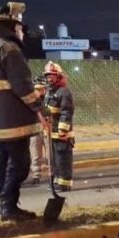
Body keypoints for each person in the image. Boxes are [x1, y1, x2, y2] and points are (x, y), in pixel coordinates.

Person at [0, 1, 45, 221]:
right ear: (11, 26)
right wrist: (39, 107)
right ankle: (9, 207)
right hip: (15, 119)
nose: (21, 31)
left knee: (3, 163)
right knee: (20, 165)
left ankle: (3, 206)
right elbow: (23, 86)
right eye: (19, 27)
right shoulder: (10, 49)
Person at [43, 61, 75, 191]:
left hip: (62, 133)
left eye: (52, 75)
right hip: (52, 132)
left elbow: (66, 112)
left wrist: (62, 129)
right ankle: (57, 180)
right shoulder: (49, 92)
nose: (49, 78)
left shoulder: (63, 92)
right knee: (55, 159)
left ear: (58, 76)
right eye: (48, 76)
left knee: (63, 158)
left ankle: (65, 183)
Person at [29, 78, 49, 185]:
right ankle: (36, 175)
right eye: (38, 89)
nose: (40, 91)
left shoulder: (48, 99)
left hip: (47, 129)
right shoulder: (30, 101)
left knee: (50, 154)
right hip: (35, 130)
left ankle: (53, 173)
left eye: (42, 89)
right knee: (35, 154)